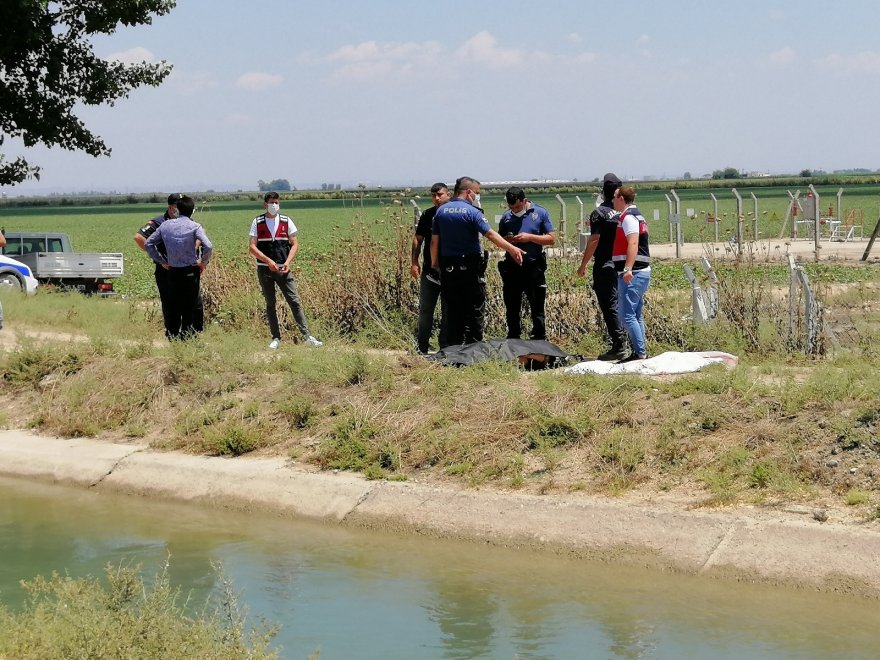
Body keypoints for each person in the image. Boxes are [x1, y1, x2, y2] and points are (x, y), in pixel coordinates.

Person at [430, 177, 524, 347]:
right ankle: (473, 349)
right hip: (470, 267)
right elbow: (490, 234)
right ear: (469, 192)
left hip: (448, 267)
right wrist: (512, 248)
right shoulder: (472, 212)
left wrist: (435, 264)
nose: (477, 196)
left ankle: (452, 350)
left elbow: (434, 242)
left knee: (453, 309)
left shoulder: (440, 212)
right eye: (477, 193)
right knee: (474, 308)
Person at [249, 192, 322, 349]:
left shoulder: (286, 221)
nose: (274, 205)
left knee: (294, 301)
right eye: (271, 202)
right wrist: (268, 261)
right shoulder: (257, 222)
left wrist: (288, 262)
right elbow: (252, 247)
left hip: (284, 269)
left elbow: (294, 244)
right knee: (270, 303)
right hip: (264, 270)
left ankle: (307, 336)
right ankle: (276, 338)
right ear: (265, 204)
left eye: (276, 202)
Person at [135, 193, 204, 335]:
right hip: (167, 270)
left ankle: (193, 333)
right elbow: (139, 238)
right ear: (170, 207)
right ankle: (172, 334)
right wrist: (160, 259)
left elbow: (201, 237)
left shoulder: (187, 220)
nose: (178, 209)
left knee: (193, 303)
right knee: (170, 304)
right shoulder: (159, 222)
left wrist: (194, 248)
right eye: (176, 206)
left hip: (187, 270)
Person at [577, 173, 629, 360]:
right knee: (624, 304)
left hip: (605, 264)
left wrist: (583, 265)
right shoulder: (625, 212)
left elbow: (594, 240)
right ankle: (631, 342)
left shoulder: (599, 213)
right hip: (624, 264)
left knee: (609, 305)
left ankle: (618, 345)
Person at [497, 187, 556, 340]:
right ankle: (514, 338)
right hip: (512, 267)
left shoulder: (540, 213)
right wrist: (508, 240)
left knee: (537, 306)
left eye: (517, 206)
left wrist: (530, 237)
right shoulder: (506, 217)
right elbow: (499, 239)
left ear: (524, 201)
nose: (515, 210)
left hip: (533, 267)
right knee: (512, 306)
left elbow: (551, 239)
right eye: (511, 208)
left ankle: (539, 337)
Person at [612, 186, 651, 362]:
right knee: (635, 314)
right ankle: (640, 351)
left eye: (614, 197)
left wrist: (628, 268)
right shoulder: (636, 215)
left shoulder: (629, 218)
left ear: (621, 199)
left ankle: (639, 353)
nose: (612, 201)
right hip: (639, 272)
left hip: (634, 273)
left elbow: (633, 244)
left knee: (626, 314)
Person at [410, 182, 450, 354]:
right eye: (434, 195)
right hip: (429, 272)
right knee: (426, 309)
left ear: (448, 194)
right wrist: (414, 262)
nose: (437, 198)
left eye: (440, 194)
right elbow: (418, 239)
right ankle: (422, 347)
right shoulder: (427, 215)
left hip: (449, 271)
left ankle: (446, 348)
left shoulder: (452, 215)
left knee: (448, 311)